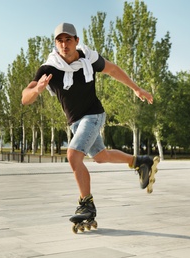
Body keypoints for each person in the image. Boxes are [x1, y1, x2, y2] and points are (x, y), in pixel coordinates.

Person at [22, 23, 156, 223]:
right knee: (101, 156)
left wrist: (136, 89)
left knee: (73, 155)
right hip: (76, 122)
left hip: (94, 115)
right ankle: (140, 161)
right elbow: (25, 98)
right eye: (60, 41)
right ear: (55, 44)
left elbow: (113, 70)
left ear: (76, 41)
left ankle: (86, 204)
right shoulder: (49, 68)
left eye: (68, 40)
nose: (64, 45)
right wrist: (37, 90)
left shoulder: (89, 58)